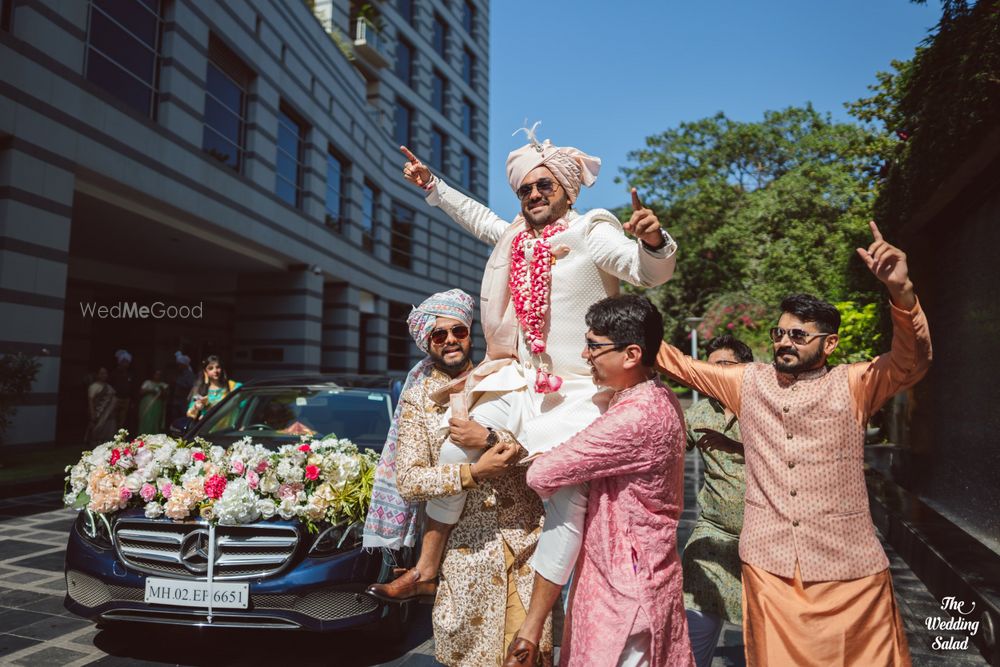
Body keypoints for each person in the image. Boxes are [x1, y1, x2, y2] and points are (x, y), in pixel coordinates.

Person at [378, 126, 678, 656]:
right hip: (521, 378)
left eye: (544, 186)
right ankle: (427, 565)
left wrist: (653, 242)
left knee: (565, 501)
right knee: (455, 444)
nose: (534, 195)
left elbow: (643, 271)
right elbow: (479, 218)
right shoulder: (515, 236)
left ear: (566, 189)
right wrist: (432, 186)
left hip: (580, 391)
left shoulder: (592, 231)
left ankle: (533, 627)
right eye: (525, 189)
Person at [656, 222, 931, 666]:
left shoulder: (855, 384)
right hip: (771, 567)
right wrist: (625, 293)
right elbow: (680, 365)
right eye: (780, 333)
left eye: (799, 335)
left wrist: (902, 293)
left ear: (830, 343)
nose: (784, 342)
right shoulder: (748, 382)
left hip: (850, 567)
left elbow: (912, 360)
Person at [364, 290, 553, 667]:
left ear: (470, 334)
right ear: (427, 343)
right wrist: (472, 473)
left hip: (526, 542)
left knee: (528, 656)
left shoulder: (505, 378)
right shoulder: (419, 399)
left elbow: (543, 441)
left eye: (459, 331)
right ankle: (425, 571)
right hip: (467, 558)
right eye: (439, 335)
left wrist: (490, 440)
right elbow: (411, 480)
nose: (451, 340)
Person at [525, 295, 694, 667]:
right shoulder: (657, 395)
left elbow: (543, 473)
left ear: (632, 355)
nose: (586, 355)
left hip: (625, 592)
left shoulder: (634, 417)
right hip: (635, 577)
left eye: (593, 346)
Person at [680, 335, 753, 667]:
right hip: (713, 535)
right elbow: (668, 447)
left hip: (766, 540)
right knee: (694, 631)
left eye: (723, 365)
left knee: (768, 636)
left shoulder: (766, 407)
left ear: (746, 369)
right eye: (710, 367)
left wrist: (733, 445)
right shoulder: (699, 413)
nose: (715, 373)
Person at [186, 355, 240, 421]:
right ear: (205, 372)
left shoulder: (233, 387)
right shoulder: (201, 391)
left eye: (218, 367)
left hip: (229, 429)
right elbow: (190, 414)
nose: (215, 371)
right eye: (211, 368)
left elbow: (245, 406)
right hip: (208, 429)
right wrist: (196, 407)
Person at [85, 367, 117, 445]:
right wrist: (93, 414)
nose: (104, 375)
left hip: (109, 415)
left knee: (108, 433)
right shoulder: (94, 386)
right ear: (97, 375)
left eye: (105, 373)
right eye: (102, 373)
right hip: (98, 413)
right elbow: (91, 401)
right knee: (97, 432)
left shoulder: (109, 387)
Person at [109, 349, 135, 433]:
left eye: (127, 362)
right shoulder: (114, 373)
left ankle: (119, 436)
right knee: (114, 418)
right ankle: (112, 435)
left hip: (126, 399)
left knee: (122, 420)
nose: (126, 364)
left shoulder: (129, 374)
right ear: (120, 362)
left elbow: (131, 387)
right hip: (116, 398)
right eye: (124, 362)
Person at [137, 369, 169, 434]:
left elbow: (166, 395)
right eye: (156, 374)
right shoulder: (147, 383)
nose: (158, 376)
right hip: (147, 404)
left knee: (155, 420)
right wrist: (151, 391)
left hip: (157, 405)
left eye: (159, 375)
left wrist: (162, 390)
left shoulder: (163, 385)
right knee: (146, 420)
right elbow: (141, 392)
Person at [169, 351, 195, 423]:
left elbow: (190, 386)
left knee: (182, 419)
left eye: (180, 365)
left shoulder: (189, 374)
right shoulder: (178, 373)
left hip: (184, 401)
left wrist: (178, 383)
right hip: (176, 401)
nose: (178, 366)